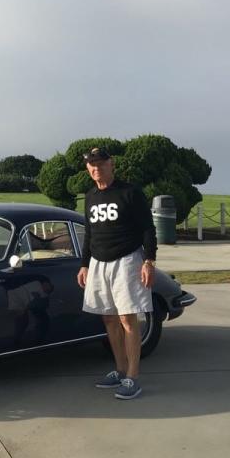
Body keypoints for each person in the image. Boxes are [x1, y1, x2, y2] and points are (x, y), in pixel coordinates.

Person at [76, 147, 157, 400]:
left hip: (126, 260)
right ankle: (120, 370)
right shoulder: (90, 197)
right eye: (92, 165)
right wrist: (84, 264)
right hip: (99, 263)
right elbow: (89, 233)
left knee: (127, 318)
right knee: (108, 319)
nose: (96, 168)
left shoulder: (130, 192)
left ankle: (133, 377)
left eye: (101, 163)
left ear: (111, 164)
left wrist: (149, 261)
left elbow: (147, 228)